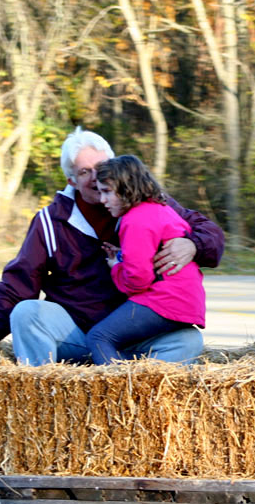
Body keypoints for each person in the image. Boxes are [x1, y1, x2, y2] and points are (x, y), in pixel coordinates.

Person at [0, 128, 223, 365]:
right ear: (71, 180)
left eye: (101, 167)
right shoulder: (50, 221)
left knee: (188, 340)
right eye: (84, 171)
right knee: (26, 312)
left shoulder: (146, 203)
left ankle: (131, 393)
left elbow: (211, 233)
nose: (95, 177)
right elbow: (18, 285)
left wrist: (194, 244)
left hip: (133, 333)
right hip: (75, 335)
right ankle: (44, 393)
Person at [86, 155, 205, 364]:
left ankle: (119, 390)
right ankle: (135, 378)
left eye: (107, 191)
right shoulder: (159, 209)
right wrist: (123, 259)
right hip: (185, 301)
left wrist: (115, 268)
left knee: (99, 337)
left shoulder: (135, 219)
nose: (102, 200)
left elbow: (138, 279)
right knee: (121, 342)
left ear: (126, 188)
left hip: (164, 301)